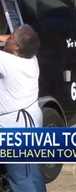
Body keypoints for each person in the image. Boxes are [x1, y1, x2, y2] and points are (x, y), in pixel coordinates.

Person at [0, 25, 46, 192]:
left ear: (17, 47)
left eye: (11, 37)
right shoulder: (31, 59)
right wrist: (8, 38)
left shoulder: (5, 61)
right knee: (32, 171)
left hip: (15, 128)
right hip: (32, 121)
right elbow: (12, 42)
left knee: (20, 178)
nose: (7, 38)